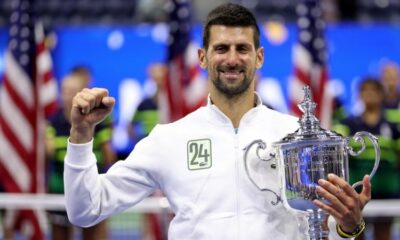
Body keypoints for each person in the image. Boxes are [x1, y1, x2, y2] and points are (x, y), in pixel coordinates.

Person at [64, 3, 371, 239]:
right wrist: (81, 134)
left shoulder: (295, 135)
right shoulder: (169, 139)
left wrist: (350, 226)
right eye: (221, 48)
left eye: (242, 49)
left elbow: (326, 229)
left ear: (260, 57)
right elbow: (85, 209)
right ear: (202, 57)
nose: (232, 59)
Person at [46, 67, 116, 240]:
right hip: (58, 193)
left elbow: (109, 156)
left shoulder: (98, 121)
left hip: (91, 191)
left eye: (72, 91)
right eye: (64, 91)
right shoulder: (52, 122)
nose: (68, 95)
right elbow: (47, 154)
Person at [333, 77, 400, 240]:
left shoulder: (392, 126)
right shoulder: (347, 124)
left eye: (373, 91)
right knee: (357, 233)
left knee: (384, 234)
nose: (369, 94)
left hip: (387, 190)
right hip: (356, 190)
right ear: (359, 95)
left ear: (381, 95)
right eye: (365, 90)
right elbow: (338, 156)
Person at [129, 62, 170, 240]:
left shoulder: (173, 104)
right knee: (147, 208)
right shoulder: (144, 104)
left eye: (161, 75)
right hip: (149, 165)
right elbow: (130, 126)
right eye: (155, 76)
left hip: (169, 164)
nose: (158, 80)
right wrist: (141, 144)